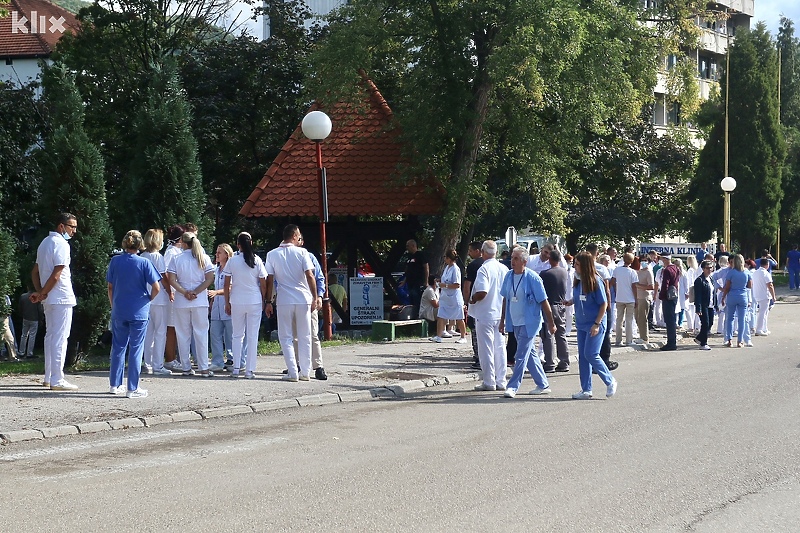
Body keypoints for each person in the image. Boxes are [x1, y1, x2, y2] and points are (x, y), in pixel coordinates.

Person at [106, 230, 162, 398]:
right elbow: (157, 287)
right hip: (139, 310)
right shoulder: (144, 262)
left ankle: (114, 385)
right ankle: (132, 387)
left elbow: (110, 286)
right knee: (136, 349)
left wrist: (113, 303)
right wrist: (147, 300)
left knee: (118, 347)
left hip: (119, 308)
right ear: (140, 245)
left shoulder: (115, 261)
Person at [30, 213, 79, 391]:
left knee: (50, 336)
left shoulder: (44, 243)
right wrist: (42, 292)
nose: (74, 231)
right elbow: (57, 274)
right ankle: (57, 379)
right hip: (61, 296)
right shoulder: (61, 244)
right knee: (60, 338)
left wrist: (41, 292)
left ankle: (49, 376)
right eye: (71, 227)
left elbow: (35, 272)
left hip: (50, 297)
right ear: (61, 226)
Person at [264, 224, 319, 382]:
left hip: (284, 299)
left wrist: (268, 301)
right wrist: (315, 297)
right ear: (295, 236)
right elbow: (310, 275)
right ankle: (305, 372)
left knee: (286, 336)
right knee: (305, 335)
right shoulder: (303, 252)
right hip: (303, 298)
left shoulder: (272, 254)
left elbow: (270, 279)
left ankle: (293, 371)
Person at [499, 247, 556, 398]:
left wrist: (551, 323)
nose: (513, 261)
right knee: (529, 354)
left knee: (520, 354)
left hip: (530, 322)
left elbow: (544, 301)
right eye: (512, 258)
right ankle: (543, 384)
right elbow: (505, 299)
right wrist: (502, 321)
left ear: (525, 261)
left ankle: (513, 386)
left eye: (516, 259)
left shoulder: (533, 278)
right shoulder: (509, 276)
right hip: (514, 321)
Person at [563, 252, 617, 400]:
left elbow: (603, 303)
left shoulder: (595, 281)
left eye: (578, 264)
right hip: (581, 323)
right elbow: (579, 296)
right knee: (583, 357)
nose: (575, 267)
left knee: (591, 354)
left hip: (595, 323)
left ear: (585, 266)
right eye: (575, 264)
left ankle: (610, 380)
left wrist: (597, 324)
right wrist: (571, 301)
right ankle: (586, 389)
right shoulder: (578, 280)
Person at [167, 232, 215, 376]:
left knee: (183, 334)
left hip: (182, 301)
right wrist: (196, 291)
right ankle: (204, 367)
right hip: (199, 301)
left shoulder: (176, 258)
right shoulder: (203, 257)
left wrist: (185, 292)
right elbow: (209, 278)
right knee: (201, 333)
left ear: (182, 241)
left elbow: (172, 280)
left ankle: (186, 367)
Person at [224, 232, 267, 379]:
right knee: (252, 336)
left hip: (236, 300)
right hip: (254, 300)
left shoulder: (232, 261)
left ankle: (236, 368)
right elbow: (263, 283)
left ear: (238, 245)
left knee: (237, 335)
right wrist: (264, 300)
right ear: (251, 243)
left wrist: (226, 301)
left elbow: (226, 283)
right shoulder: (257, 260)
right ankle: (249, 370)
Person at [468, 240, 509, 391]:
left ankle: (489, 381)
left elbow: (482, 291)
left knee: (486, 348)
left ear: (483, 253)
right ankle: (501, 380)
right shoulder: (504, 268)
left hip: (485, 312)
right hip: (500, 312)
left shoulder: (483, 269)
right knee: (499, 347)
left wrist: (473, 299)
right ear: (496, 253)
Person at [290, 238, 328, 380]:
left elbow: (319, 278)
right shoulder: (285, 258)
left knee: (313, 333)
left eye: (299, 239)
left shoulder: (310, 257)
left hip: (309, 300)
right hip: (292, 301)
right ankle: (297, 364)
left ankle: (318, 366)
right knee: (295, 335)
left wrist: (319, 296)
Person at [141, 229, 174, 376]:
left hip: (145, 298)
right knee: (160, 332)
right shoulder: (158, 257)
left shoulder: (142, 256)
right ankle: (158, 364)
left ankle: (147, 363)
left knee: (148, 333)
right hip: (159, 298)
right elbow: (163, 277)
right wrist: (170, 291)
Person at [539, 249, 570, 373]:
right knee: (561, 334)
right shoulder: (564, 272)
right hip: (560, 305)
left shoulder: (545, 273)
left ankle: (550, 363)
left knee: (548, 335)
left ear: (550, 259)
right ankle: (564, 361)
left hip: (549, 305)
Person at [431, 249, 467, 343]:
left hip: (454, 297)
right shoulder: (447, 268)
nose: (444, 259)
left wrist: (445, 285)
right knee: (441, 315)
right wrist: (440, 282)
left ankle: (463, 337)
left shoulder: (455, 269)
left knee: (459, 317)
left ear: (449, 258)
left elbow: (457, 285)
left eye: (445, 258)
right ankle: (439, 336)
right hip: (445, 297)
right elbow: (445, 280)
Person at [162, 225, 185, 371]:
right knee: (171, 327)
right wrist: (171, 291)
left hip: (177, 293)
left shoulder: (178, 251)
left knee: (176, 327)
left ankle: (174, 357)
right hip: (172, 294)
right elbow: (166, 274)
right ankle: (170, 359)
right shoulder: (171, 252)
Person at [209, 243, 234, 372]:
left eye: (220, 252)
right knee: (215, 334)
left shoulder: (232, 269)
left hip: (228, 305)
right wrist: (212, 301)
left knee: (230, 335)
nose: (217, 254)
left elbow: (231, 287)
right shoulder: (216, 269)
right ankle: (217, 361)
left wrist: (216, 293)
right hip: (217, 307)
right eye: (217, 252)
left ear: (227, 255)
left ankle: (232, 359)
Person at [720, 254, 752, 348]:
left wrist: (723, 297)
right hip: (743, 296)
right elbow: (750, 285)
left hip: (732, 296)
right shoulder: (746, 272)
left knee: (730, 318)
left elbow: (727, 287)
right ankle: (740, 341)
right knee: (742, 319)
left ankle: (729, 340)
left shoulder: (731, 273)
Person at [462, 242, 483, 368]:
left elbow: (467, 285)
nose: (469, 253)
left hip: (475, 300)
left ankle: (478, 357)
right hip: (492, 304)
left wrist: (466, 301)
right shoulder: (495, 265)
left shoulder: (473, 265)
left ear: (478, 251)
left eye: (470, 250)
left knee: (475, 330)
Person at [611, 252, 638, 346]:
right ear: (632, 261)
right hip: (630, 298)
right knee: (629, 320)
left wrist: (616, 289)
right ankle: (629, 340)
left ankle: (618, 340)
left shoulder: (617, 270)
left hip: (619, 297)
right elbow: (634, 286)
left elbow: (613, 281)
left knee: (619, 320)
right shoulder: (632, 272)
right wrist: (636, 298)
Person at [399, 239, 429, 319]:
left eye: (408, 246)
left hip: (418, 282)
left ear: (413, 245)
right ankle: (412, 316)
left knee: (417, 300)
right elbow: (408, 271)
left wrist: (426, 281)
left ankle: (419, 316)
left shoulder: (420, 255)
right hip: (410, 283)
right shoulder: (409, 257)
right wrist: (404, 281)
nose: (407, 248)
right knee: (411, 300)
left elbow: (426, 268)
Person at [657, 253, 681, 351]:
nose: (661, 260)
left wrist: (661, 295)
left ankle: (671, 342)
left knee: (669, 320)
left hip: (667, 296)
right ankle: (672, 341)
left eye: (662, 259)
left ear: (665, 259)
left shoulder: (667, 270)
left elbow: (665, 284)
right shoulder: (676, 268)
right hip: (674, 294)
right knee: (672, 319)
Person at [693, 260, 715, 350]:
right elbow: (698, 295)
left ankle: (699, 338)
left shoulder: (711, 279)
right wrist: (698, 308)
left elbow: (714, 293)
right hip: (703, 305)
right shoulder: (699, 280)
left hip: (710, 305)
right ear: (703, 269)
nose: (709, 270)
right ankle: (703, 343)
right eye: (707, 268)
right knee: (705, 323)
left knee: (710, 323)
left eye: (711, 267)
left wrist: (716, 304)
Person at [752, 257, 776, 336]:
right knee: (763, 312)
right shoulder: (766, 273)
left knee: (765, 312)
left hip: (757, 294)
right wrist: (773, 296)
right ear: (767, 265)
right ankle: (759, 329)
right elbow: (770, 285)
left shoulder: (756, 272)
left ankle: (764, 328)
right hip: (764, 295)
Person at [18, 286, 43, 359]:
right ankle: (29, 353)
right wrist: (41, 318)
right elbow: (40, 310)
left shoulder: (23, 296)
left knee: (24, 335)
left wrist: (22, 315)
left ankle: (21, 352)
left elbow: (20, 307)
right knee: (32, 336)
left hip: (25, 318)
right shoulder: (37, 298)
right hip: (34, 318)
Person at [634, 255, 654, 344]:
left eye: (646, 260)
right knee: (637, 317)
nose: (644, 262)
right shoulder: (639, 272)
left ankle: (644, 338)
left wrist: (638, 285)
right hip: (637, 297)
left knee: (642, 318)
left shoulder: (649, 272)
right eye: (642, 260)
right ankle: (642, 335)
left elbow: (651, 286)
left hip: (644, 297)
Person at [1, 295, 18, 362]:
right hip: (4, 319)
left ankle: (13, 356)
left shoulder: (5, 297)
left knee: (10, 338)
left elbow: (9, 309)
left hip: (5, 319)